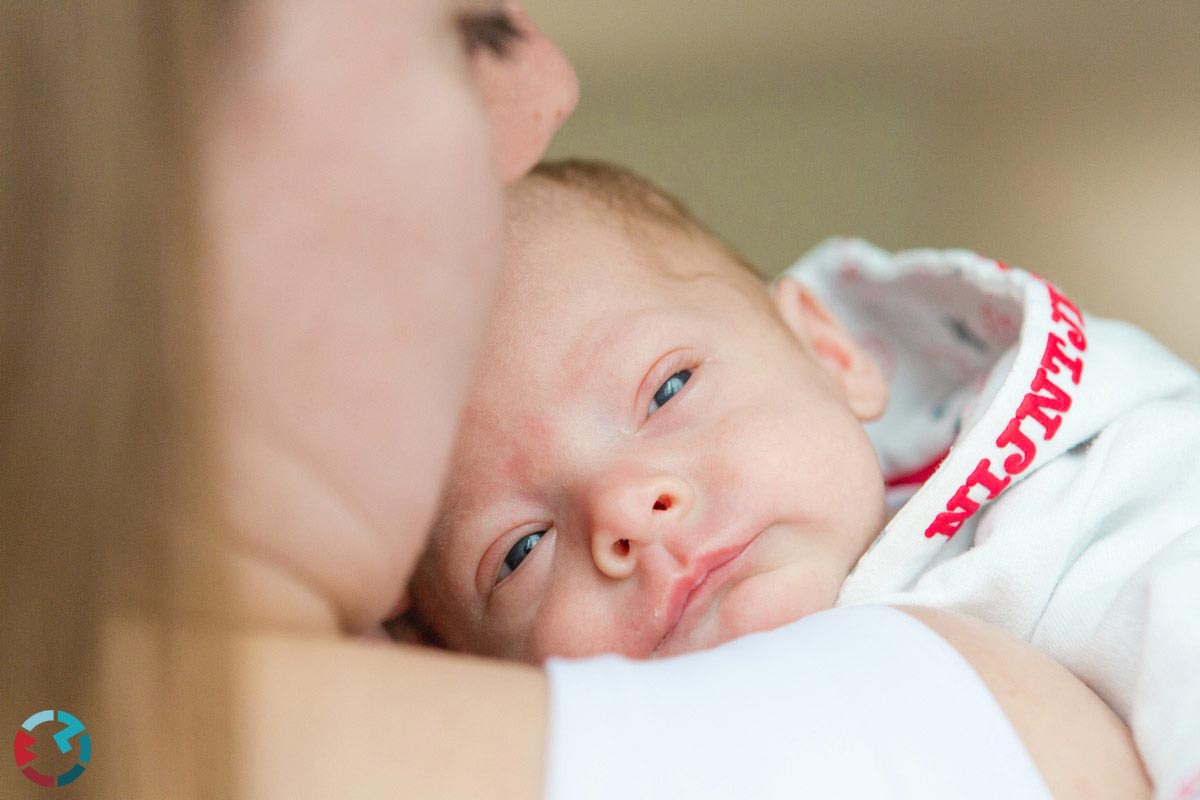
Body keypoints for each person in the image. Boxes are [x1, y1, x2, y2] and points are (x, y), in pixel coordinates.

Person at [1, 4, 1148, 799]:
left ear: (831, 351)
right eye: (469, 30)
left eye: (671, 385)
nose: (547, 90)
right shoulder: (918, 729)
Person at [407, 159, 1199, 796]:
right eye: (519, 551)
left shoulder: (1084, 498)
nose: (627, 511)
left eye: (668, 389)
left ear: (833, 353)